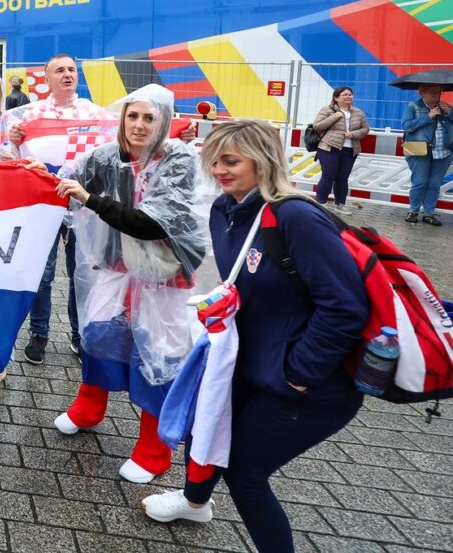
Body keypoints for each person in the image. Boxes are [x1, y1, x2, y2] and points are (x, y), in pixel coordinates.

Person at [140, 120, 368, 553]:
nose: (220, 170)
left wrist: (299, 374)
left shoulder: (295, 216)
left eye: (232, 161)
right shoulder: (225, 209)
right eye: (214, 161)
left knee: (244, 472)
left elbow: (345, 307)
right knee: (205, 424)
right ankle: (194, 502)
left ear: (263, 162)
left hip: (309, 385)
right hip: (250, 358)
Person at [51, 84, 209, 484]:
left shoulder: (179, 160)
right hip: (117, 266)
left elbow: (152, 222)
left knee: (158, 353)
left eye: (148, 118)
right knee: (98, 333)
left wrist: (90, 199)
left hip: (163, 271)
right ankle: (89, 408)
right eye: (132, 116)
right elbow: (68, 176)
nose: (138, 125)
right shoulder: (109, 156)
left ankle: (154, 451)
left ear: (163, 122)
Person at [7, 54, 116, 364]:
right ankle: (39, 334)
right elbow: (11, 159)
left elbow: (124, 142)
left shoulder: (96, 114)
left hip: (84, 205)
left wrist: (180, 132)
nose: (67, 74)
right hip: (44, 206)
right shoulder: (29, 117)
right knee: (42, 275)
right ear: (47, 78)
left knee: (82, 274)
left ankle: (79, 335)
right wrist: (13, 142)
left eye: (71, 69)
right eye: (60, 70)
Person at [400, 83, 452, 225]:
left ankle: (429, 214)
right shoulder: (414, 107)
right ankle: (413, 211)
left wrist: (450, 114)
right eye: (432, 92)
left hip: (443, 151)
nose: (436, 95)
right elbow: (406, 126)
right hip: (420, 150)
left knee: (434, 183)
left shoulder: (445, 106)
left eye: (438, 91)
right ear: (422, 92)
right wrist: (429, 116)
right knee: (420, 181)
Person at [311, 86, 369, 209]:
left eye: (350, 94)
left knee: (343, 179)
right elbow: (317, 126)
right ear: (336, 98)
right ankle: (321, 204)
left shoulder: (358, 112)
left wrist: (353, 134)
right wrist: (335, 116)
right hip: (329, 147)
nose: (348, 97)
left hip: (350, 149)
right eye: (345, 95)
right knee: (328, 176)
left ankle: (340, 205)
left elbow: (365, 129)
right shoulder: (327, 110)